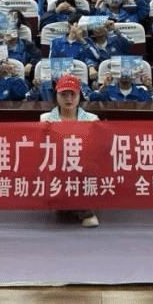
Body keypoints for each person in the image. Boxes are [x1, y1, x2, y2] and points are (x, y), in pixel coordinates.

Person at [40, 74, 100, 228]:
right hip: (57, 169)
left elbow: (96, 150)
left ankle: (86, 210)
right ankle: (64, 202)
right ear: (56, 96)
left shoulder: (92, 120)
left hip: (83, 169)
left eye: (73, 94)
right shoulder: (45, 119)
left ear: (79, 96)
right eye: (64, 94)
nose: (69, 99)